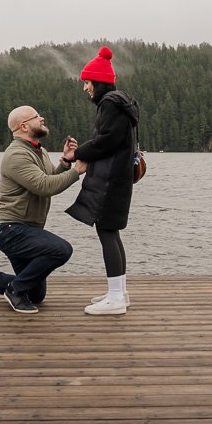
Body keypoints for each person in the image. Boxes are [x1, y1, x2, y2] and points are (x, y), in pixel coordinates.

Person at [0, 105, 87, 314]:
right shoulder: (16, 155)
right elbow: (45, 187)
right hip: (11, 230)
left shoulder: (39, 150)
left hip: (28, 229)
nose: (42, 118)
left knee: (36, 294)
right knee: (61, 249)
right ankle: (14, 291)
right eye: (37, 117)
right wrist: (78, 171)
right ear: (24, 125)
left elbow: (49, 178)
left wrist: (65, 161)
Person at [63, 46, 140, 315]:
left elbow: (107, 142)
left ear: (98, 82)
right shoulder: (120, 103)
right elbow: (110, 140)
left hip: (110, 180)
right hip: (118, 178)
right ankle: (119, 292)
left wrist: (76, 154)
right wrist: (83, 150)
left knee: (107, 231)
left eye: (87, 82)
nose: (85, 88)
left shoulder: (110, 103)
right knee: (111, 232)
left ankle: (117, 298)